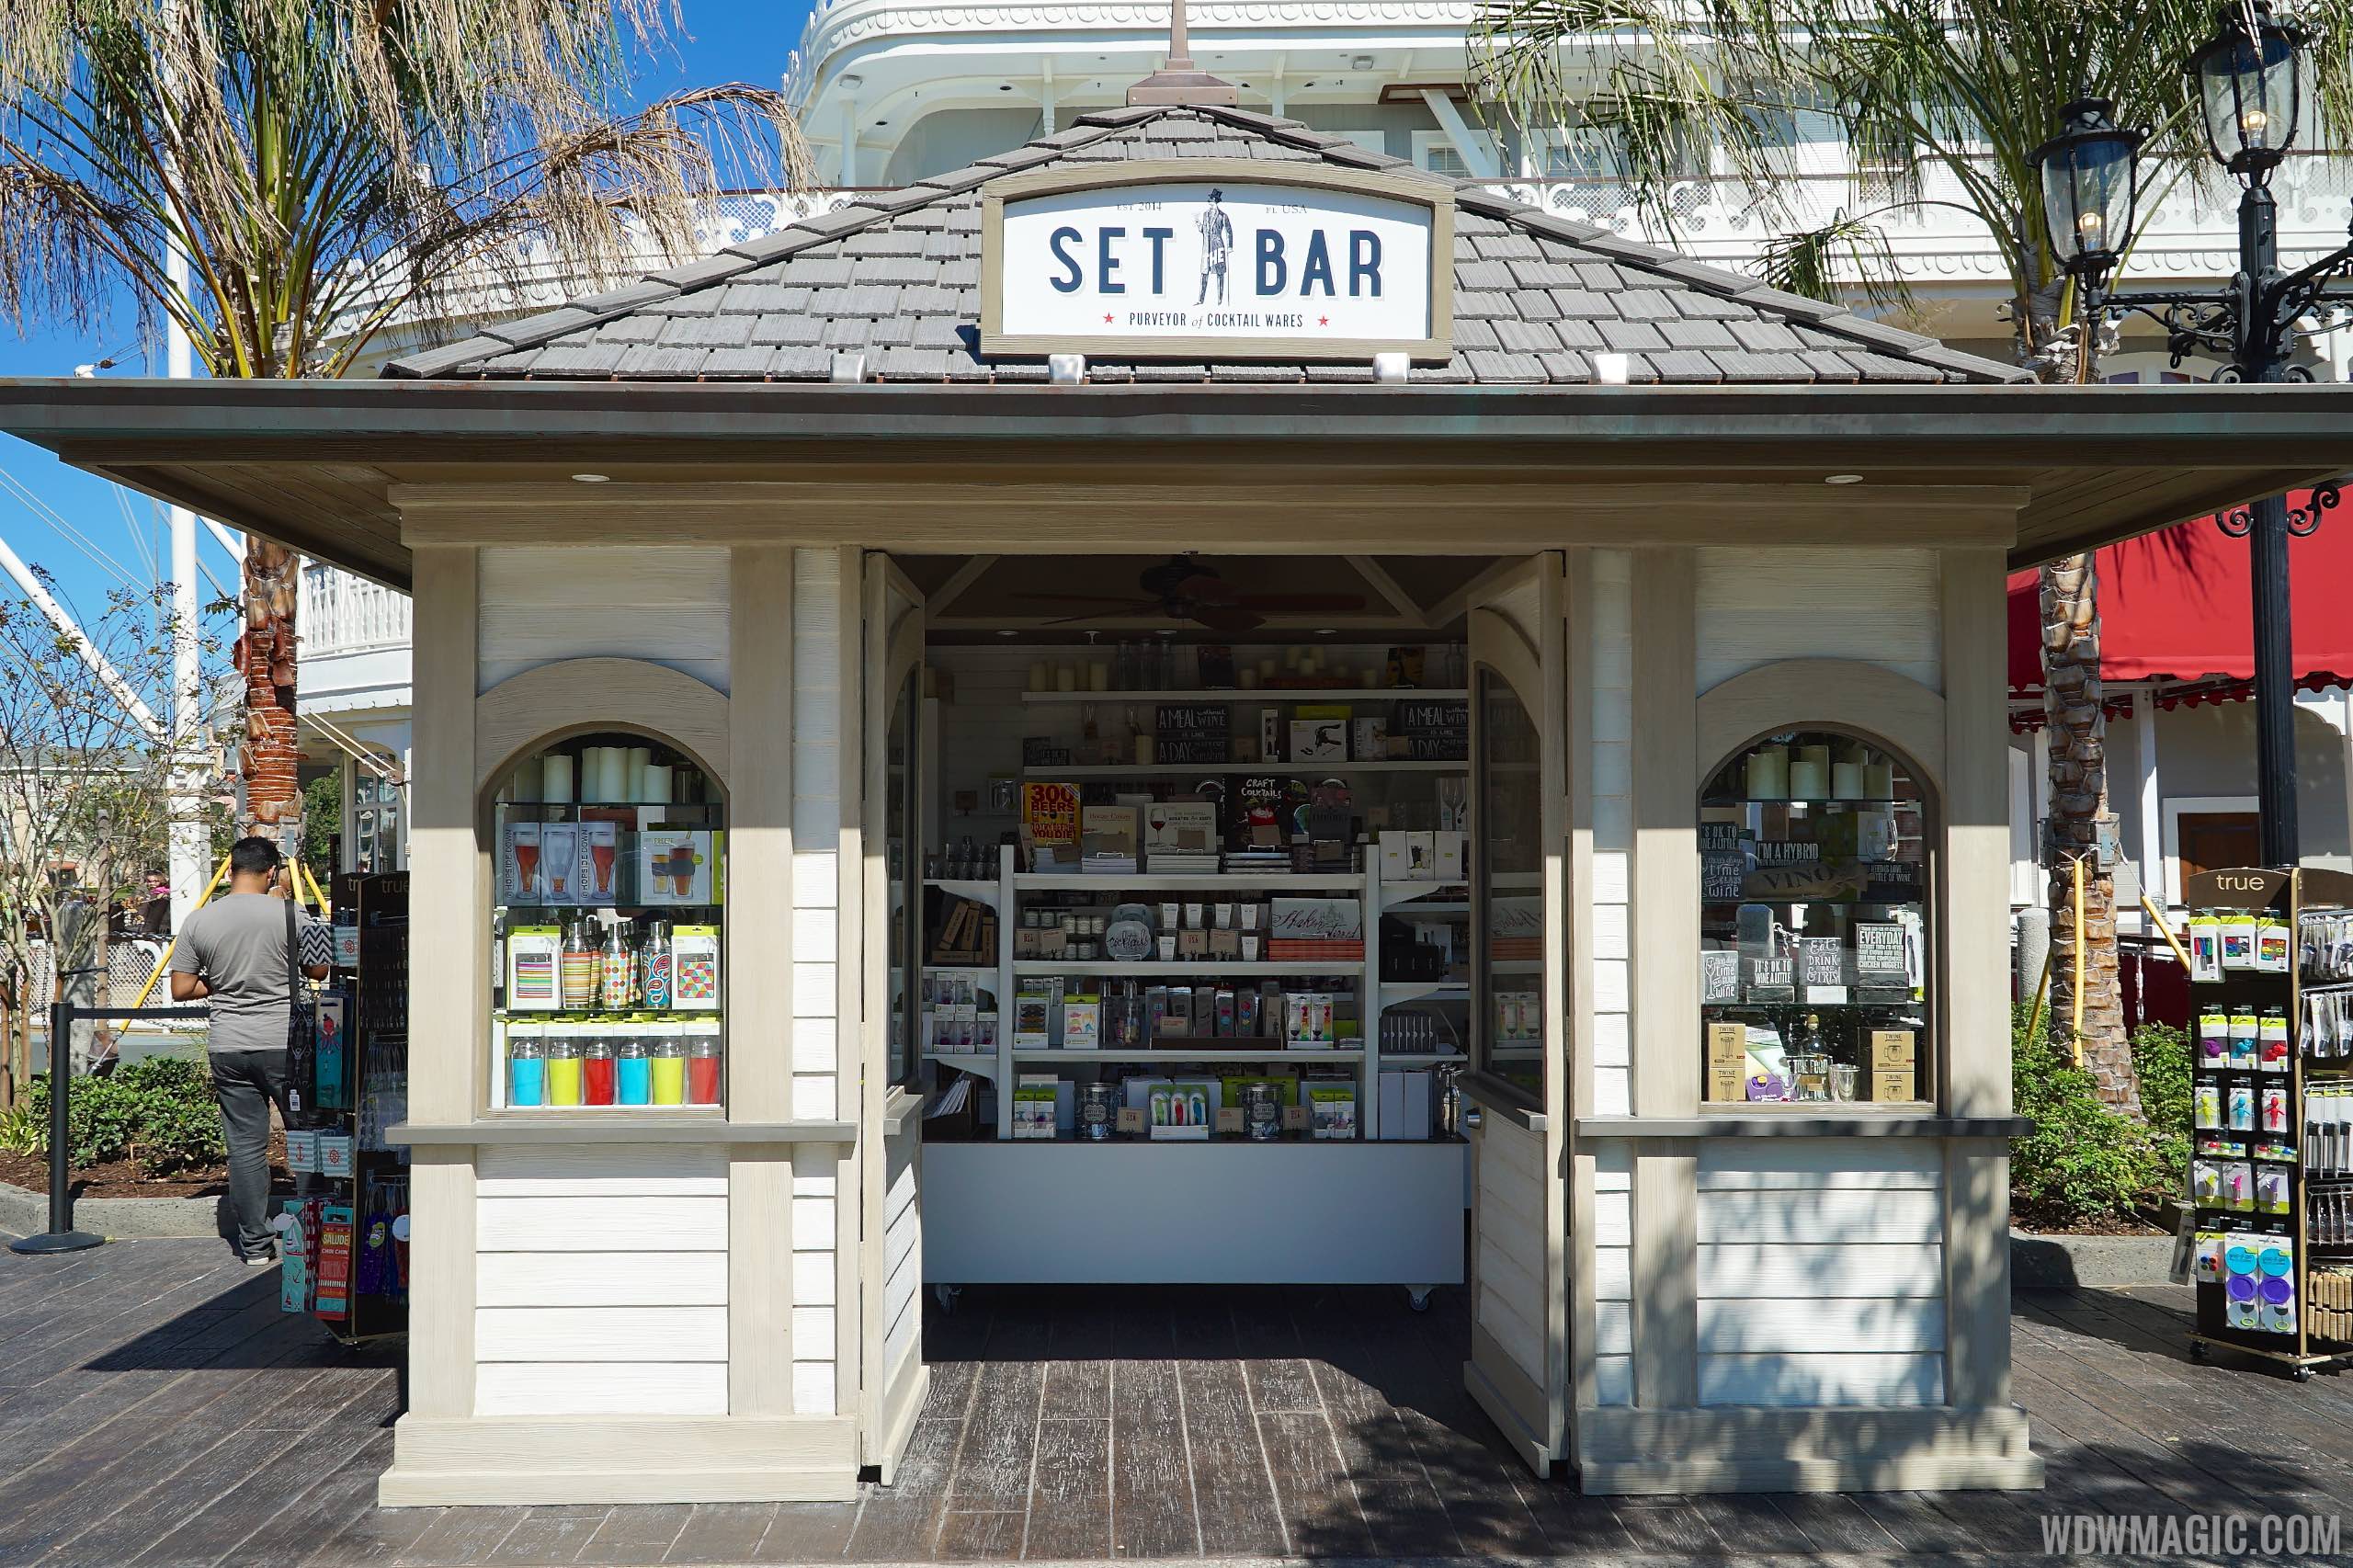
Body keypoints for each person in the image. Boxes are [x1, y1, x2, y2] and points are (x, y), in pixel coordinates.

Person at [170, 837, 331, 1264]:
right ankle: (314, 1232)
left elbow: (182, 987)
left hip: (228, 1046)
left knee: (244, 1147)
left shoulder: (199, 920)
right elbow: (319, 968)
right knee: (306, 1138)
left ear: (230, 871)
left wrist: (224, 981)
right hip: (285, 1046)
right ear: (272, 872)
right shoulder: (291, 913)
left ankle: (256, 1246)